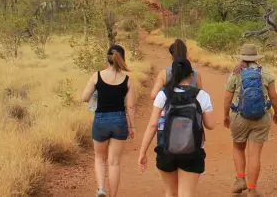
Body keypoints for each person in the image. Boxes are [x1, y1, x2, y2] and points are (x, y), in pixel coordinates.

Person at [138, 58, 215, 197]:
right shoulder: (201, 95)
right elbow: (210, 125)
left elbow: (153, 124)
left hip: (166, 149)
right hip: (193, 151)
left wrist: (142, 152)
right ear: (192, 75)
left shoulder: (163, 95)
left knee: (170, 193)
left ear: (172, 75)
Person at [223, 44, 277, 197]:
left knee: (238, 147)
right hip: (261, 117)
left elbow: (227, 98)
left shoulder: (236, 73)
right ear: (256, 58)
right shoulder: (265, 73)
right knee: (254, 154)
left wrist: (225, 115)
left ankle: (240, 179)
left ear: (242, 57)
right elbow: (274, 97)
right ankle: (252, 189)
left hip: (239, 117)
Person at [81, 45, 135, 197]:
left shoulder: (97, 76)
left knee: (99, 157)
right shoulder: (127, 80)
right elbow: (130, 107)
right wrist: (132, 127)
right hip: (119, 121)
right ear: (122, 59)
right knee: (114, 162)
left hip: (101, 120)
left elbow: (84, 97)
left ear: (107, 58)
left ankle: (101, 189)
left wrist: (96, 95)